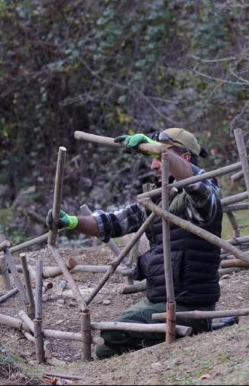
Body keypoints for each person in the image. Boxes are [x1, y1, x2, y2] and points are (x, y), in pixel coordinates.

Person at [46, 128, 223, 359]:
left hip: (189, 306)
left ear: (185, 158)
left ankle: (193, 330)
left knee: (112, 334)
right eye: (153, 158)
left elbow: (197, 185)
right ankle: (167, 342)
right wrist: (70, 222)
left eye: (158, 157)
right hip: (159, 301)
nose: (153, 165)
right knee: (105, 346)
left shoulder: (203, 195)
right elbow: (111, 222)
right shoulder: (156, 199)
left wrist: (160, 149)